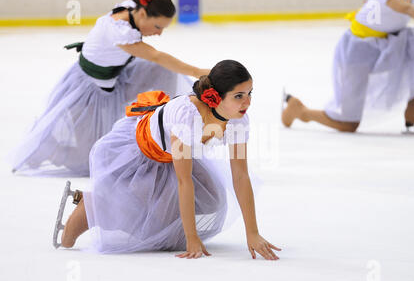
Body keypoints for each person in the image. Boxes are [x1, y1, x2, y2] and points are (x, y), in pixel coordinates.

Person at [53, 60, 281, 260]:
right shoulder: (188, 117)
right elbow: (184, 181)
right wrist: (191, 237)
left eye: (250, 93)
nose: (247, 102)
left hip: (176, 155)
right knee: (154, 224)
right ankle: (93, 204)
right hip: (143, 154)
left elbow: (240, 175)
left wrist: (252, 233)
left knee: (212, 203)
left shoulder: (238, 121)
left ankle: (110, 203)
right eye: (239, 96)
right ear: (215, 97)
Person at [10, 0, 208, 176]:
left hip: (118, 76)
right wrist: (198, 71)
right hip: (90, 89)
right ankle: (46, 146)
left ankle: (162, 122)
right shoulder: (119, 32)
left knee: (164, 70)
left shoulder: (130, 5)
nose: (159, 33)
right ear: (142, 13)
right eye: (157, 26)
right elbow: (156, 55)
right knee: (85, 161)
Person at [282, 0, 414, 133]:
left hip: (385, 44)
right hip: (357, 52)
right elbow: (406, 8)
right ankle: (300, 111)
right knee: (349, 125)